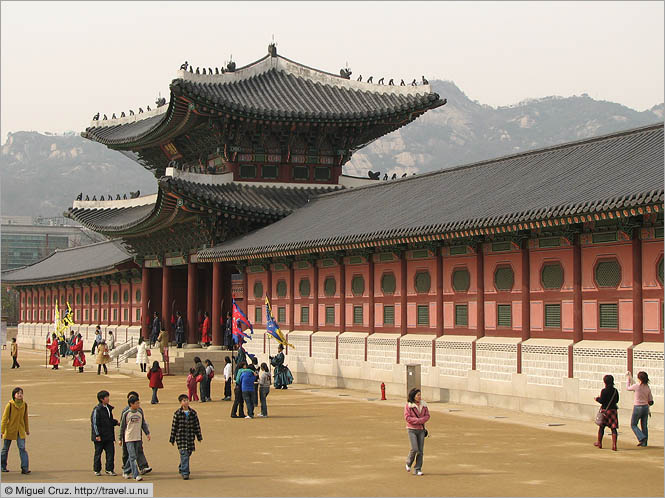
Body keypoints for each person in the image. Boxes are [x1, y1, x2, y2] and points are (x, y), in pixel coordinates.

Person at [169, 394, 203, 480]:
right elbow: (174, 427)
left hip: (190, 437)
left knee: (188, 453)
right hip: (181, 438)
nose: (186, 402)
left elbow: (197, 425)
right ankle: (185, 472)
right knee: (184, 454)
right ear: (180, 403)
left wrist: (199, 436)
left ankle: (182, 466)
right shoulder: (177, 414)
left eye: (187, 400)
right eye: (184, 401)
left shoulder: (193, 413)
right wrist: (172, 438)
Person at [120, 391, 152, 476]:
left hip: (137, 436)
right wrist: (120, 438)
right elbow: (122, 426)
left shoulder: (140, 411)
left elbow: (143, 423)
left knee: (135, 453)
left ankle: (129, 469)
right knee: (130, 455)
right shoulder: (126, 412)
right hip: (128, 437)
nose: (138, 404)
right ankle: (135, 474)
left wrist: (147, 433)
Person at [1, 387, 30, 474]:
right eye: (18, 393)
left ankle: (25, 468)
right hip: (10, 430)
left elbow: (25, 418)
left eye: (21, 393)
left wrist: (27, 429)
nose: (20, 395)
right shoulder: (9, 405)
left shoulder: (24, 404)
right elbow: (4, 419)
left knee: (22, 448)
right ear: (14, 395)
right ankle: (2, 466)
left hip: (20, 430)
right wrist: (2, 431)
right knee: (5, 449)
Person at [91, 390, 119, 476]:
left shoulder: (108, 408)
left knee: (110, 452)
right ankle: (97, 469)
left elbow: (109, 420)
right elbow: (95, 423)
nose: (108, 398)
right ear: (101, 399)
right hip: (100, 436)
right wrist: (97, 435)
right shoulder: (97, 410)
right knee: (98, 453)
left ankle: (109, 469)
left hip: (109, 435)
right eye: (106, 397)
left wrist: (116, 423)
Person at [404, 387, 430, 476]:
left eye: (420, 395)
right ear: (413, 396)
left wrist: (422, 420)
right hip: (412, 429)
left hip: (421, 430)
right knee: (414, 448)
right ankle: (408, 462)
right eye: (418, 395)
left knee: (420, 451)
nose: (419, 397)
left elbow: (427, 415)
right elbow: (407, 418)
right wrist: (418, 421)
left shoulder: (424, 405)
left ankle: (417, 468)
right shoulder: (409, 405)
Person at [626, 371, 654, 447]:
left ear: (639, 378)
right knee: (644, 425)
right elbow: (651, 400)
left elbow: (628, 388)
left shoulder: (637, 386)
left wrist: (628, 379)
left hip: (637, 407)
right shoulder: (647, 387)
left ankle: (641, 437)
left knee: (633, 424)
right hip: (645, 407)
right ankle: (644, 443)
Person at [594, 374, 619, 451]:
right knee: (613, 428)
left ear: (605, 382)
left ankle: (599, 443)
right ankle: (614, 445)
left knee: (602, 427)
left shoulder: (604, 391)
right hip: (613, 410)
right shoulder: (615, 391)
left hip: (605, 411)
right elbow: (617, 400)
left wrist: (597, 399)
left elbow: (602, 401)